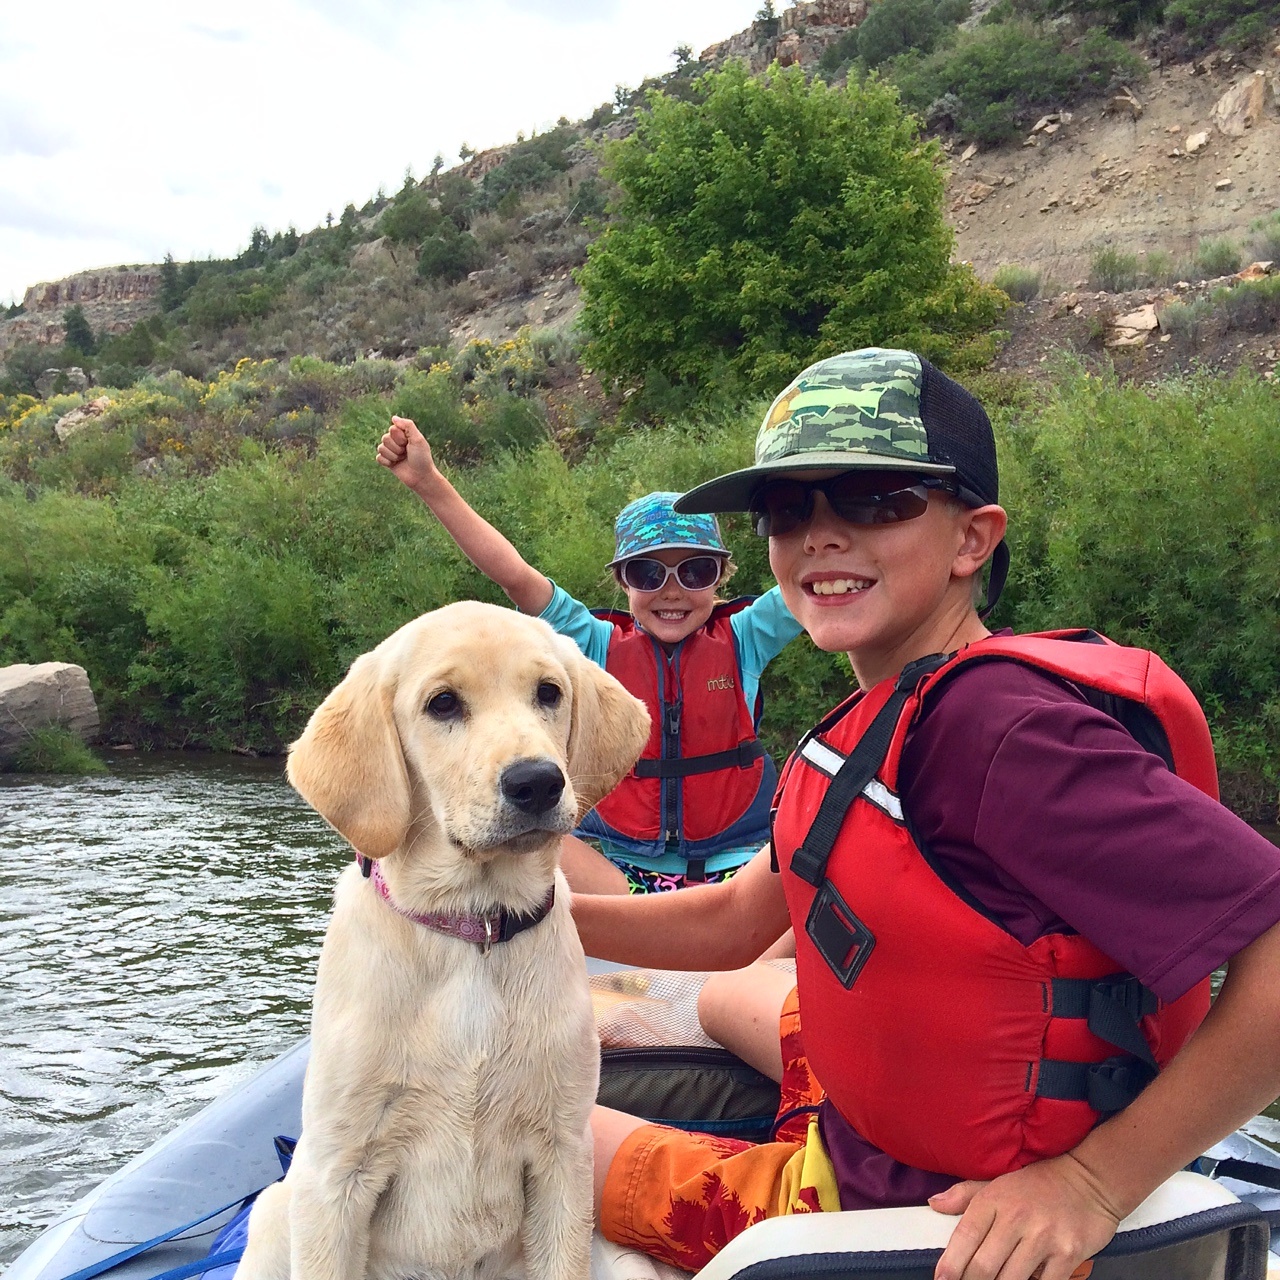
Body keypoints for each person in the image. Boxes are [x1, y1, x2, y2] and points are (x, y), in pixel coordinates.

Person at [572, 348, 1280, 1280]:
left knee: (514, 1122)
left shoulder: (999, 733)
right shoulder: (884, 716)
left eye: (875, 499)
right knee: (723, 992)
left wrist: (1098, 1185)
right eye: (791, 510)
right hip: (869, 1108)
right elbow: (739, 919)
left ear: (971, 539)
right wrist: (524, 920)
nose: (822, 536)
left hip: (888, 1197)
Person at [375, 415, 804, 895]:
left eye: (695, 571)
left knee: (804, 845)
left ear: (720, 578)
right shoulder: (593, 643)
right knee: (551, 850)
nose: (672, 592)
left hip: (735, 868)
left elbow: (812, 575)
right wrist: (430, 483)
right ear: (623, 581)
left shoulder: (748, 636)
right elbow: (514, 576)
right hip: (617, 872)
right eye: (646, 574)